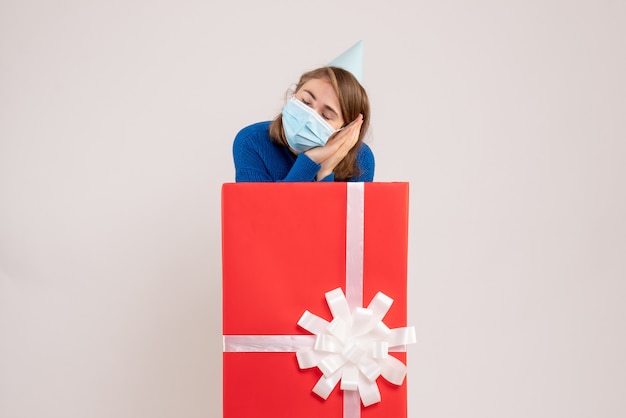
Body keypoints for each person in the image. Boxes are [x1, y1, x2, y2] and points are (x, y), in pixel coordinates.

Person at [232, 65, 374, 182]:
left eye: (326, 115)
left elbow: (333, 217)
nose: (309, 117)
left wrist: (325, 172)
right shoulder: (252, 141)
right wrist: (310, 160)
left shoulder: (361, 159)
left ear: (345, 129)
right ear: (294, 95)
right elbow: (260, 214)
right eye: (305, 102)